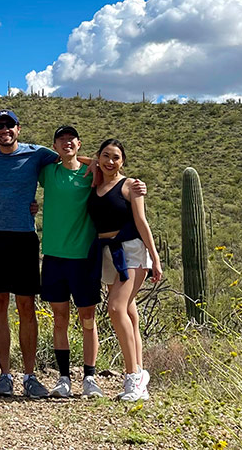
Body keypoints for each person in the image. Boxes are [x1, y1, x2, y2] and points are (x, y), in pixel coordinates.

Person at [38, 126, 147, 398]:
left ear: (79, 143)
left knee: (90, 317)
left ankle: (91, 378)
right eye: (61, 140)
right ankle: (64, 379)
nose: (67, 144)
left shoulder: (93, 175)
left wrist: (95, 161)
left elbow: (104, 168)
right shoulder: (48, 172)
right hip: (53, 254)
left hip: (86, 256)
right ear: (54, 145)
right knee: (60, 317)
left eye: (72, 140)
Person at [0, 109, 59, 398]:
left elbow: (69, 158)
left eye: (9, 125)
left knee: (26, 306)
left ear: (18, 128)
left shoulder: (37, 154)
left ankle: (30, 375)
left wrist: (106, 167)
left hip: (24, 238)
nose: (4, 130)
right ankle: (4, 375)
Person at [88, 138, 162, 402]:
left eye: (116, 157)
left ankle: (132, 377)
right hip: (106, 252)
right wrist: (93, 162)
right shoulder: (96, 180)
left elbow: (141, 221)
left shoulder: (130, 185)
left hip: (131, 250)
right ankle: (140, 375)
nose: (110, 161)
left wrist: (155, 258)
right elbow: (76, 159)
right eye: (105, 156)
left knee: (116, 307)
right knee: (129, 312)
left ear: (123, 161)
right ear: (98, 157)